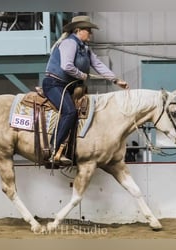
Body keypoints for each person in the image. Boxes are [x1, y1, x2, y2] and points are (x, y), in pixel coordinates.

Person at [42, 15, 128, 165]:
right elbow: (67, 66)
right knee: (70, 112)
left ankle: (70, 149)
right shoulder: (69, 43)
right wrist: (82, 75)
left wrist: (115, 79)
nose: (91, 33)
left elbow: (99, 65)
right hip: (54, 84)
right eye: (88, 30)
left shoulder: (85, 48)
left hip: (67, 86)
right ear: (78, 30)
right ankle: (53, 150)